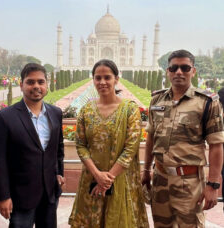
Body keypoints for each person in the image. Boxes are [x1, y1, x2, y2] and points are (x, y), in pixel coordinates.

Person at [142, 49, 224, 227]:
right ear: (168, 71)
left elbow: (216, 145)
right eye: (174, 68)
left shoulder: (207, 102)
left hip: (189, 182)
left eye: (185, 68)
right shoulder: (157, 100)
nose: (179, 72)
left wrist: (213, 184)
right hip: (160, 179)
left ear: (193, 71)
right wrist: (146, 170)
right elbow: (151, 138)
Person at [69, 59, 149, 228]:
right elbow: (80, 145)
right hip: (92, 177)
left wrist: (107, 179)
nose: (102, 82)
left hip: (121, 179)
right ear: (93, 80)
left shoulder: (129, 109)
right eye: (98, 78)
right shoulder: (86, 110)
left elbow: (131, 148)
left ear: (116, 79)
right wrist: (97, 175)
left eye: (107, 77)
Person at [0, 63, 64, 228]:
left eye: (41, 82)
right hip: (20, 195)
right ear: (21, 84)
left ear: (47, 84)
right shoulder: (5, 117)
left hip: (49, 194)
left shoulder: (55, 113)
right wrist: (3, 196)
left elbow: (58, 148)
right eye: (31, 82)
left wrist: (59, 172)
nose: (36, 86)